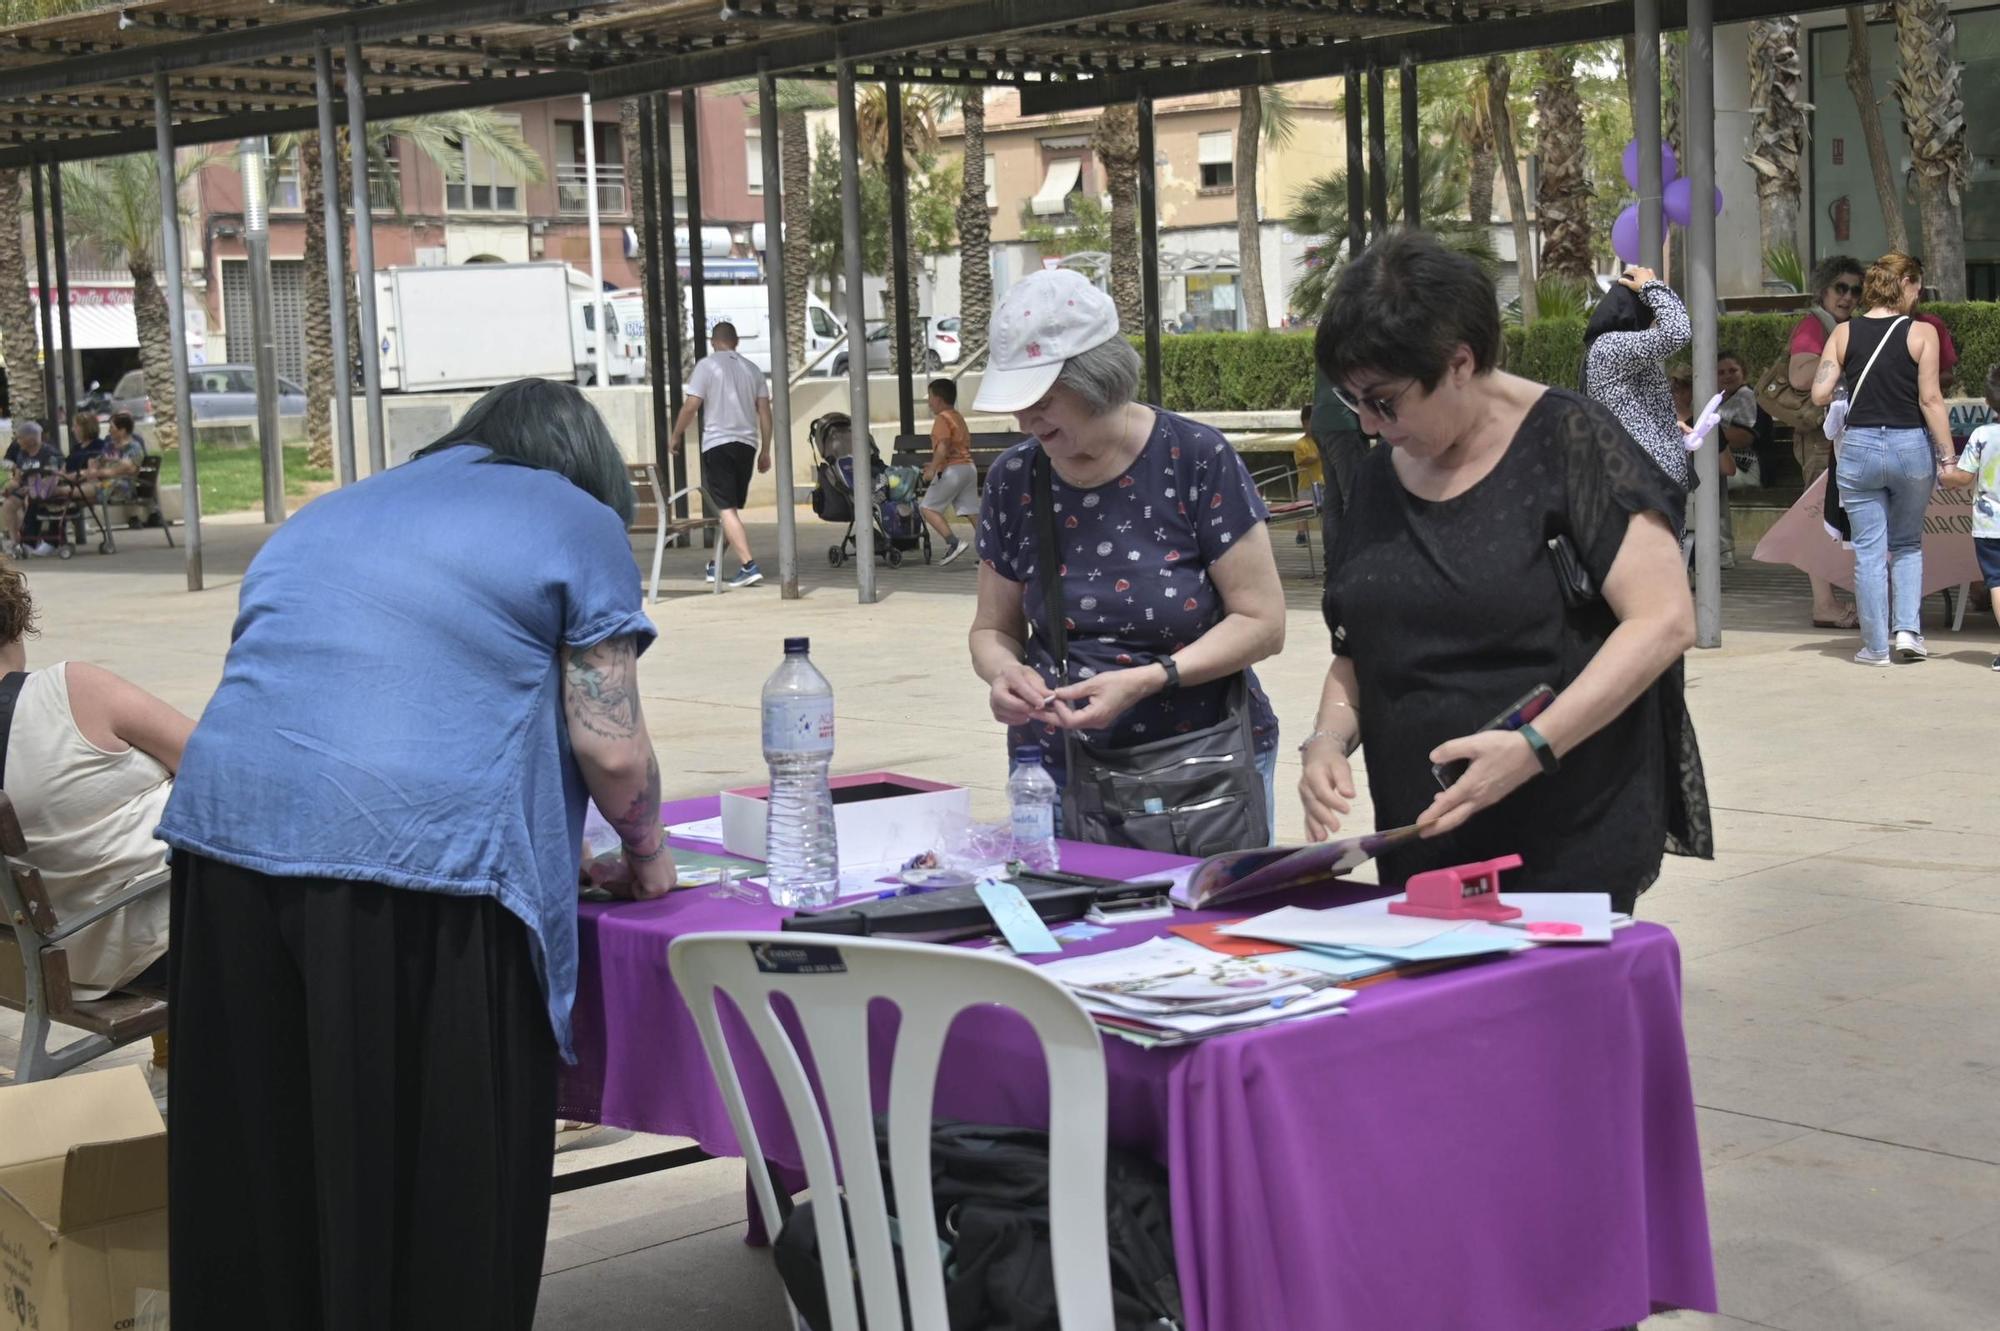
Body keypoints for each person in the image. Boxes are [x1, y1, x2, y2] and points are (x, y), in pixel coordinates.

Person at [155, 379, 675, 1329]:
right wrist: (649, 859)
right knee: (432, 1196)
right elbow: (610, 745)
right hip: (415, 865)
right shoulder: (579, 517)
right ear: (582, 466)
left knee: (265, 1186)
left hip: (224, 847)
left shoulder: (334, 510)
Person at [1304, 230, 1711, 913]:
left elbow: (1664, 621)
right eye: (1355, 403)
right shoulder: (1380, 476)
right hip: (1422, 837)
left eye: (1385, 400)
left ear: (1459, 362)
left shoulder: (1572, 441)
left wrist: (1530, 747)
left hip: (1559, 834)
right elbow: (1360, 646)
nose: (1372, 427)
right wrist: (1326, 739)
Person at [966, 268, 1287, 840]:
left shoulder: (1197, 458)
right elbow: (992, 629)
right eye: (1017, 402)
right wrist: (1005, 673)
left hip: (1202, 768)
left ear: (1098, 381)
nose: (1024, 419)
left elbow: (1262, 624)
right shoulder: (1014, 479)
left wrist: (1150, 679)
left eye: (1040, 399)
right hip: (1057, 772)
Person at [0, 555, 188, 998]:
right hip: (159, 936)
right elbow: (221, 769)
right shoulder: (69, 691)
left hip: (59, 956)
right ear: (14, 619)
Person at [1811, 251, 1956, 667]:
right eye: (1919, 284)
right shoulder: (1922, 333)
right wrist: (1947, 458)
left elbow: (1820, 394)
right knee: (1907, 543)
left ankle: (1875, 647)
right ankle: (1908, 632)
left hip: (1858, 449)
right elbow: (1930, 399)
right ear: (1906, 284)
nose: (1920, 292)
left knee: (1870, 553)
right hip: (1910, 446)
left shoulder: (1843, 333)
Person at [1788, 255, 1865, 628]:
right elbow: (1801, 375)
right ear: (1823, 289)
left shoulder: (1844, 326)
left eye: (1855, 289)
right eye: (1841, 288)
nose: (1849, 296)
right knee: (1819, 518)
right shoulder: (1814, 325)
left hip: (1842, 437)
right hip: (1821, 439)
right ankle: (1823, 603)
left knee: (1837, 518)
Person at [671, 320, 772, 588]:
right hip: (747, 445)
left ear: (713, 341)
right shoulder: (753, 370)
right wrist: (766, 450)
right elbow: (765, 413)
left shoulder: (706, 366)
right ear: (736, 341)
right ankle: (715, 564)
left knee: (726, 509)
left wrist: (676, 434)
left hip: (718, 444)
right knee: (731, 511)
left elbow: (692, 405)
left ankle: (748, 565)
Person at [1581, 265, 1693, 495]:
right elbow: (1677, 332)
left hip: (1647, 485)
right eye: (1650, 310)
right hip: (1640, 487)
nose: (1653, 319)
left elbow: (1629, 411)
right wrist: (1651, 287)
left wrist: (1667, 427)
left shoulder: (1618, 348)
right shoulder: (1610, 346)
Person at [1942, 364, 2000, 672]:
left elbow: (1963, 478)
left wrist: (1945, 475)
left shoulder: (1982, 435)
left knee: (1998, 583)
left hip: (1990, 527)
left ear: (1989, 402)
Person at [918, 376, 976, 564]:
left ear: (938, 399)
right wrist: (935, 463)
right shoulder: (957, 416)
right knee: (971, 511)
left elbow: (943, 446)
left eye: (930, 397)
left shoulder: (942, 419)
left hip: (953, 472)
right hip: (968, 468)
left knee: (927, 508)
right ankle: (991, 553)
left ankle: (953, 543)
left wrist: (932, 470)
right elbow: (954, 447)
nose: (929, 402)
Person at [3, 421, 64, 555]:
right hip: (25, 489)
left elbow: (55, 477)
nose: (17, 441)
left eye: (19, 438)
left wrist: (32, 487)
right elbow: (18, 478)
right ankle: (15, 542)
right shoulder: (22, 455)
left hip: (43, 490)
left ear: (30, 439)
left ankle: (29, 541)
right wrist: (7, 487)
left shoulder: (49, 453)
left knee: (29, 500)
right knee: (8, 505)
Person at [90, 410, 147, 506]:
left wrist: (98, 471)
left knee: (76, 492)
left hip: (121, 488)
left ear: (122, 430)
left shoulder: (134, 448)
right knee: (76, 493)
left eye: (112, 427)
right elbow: (96, 463)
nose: (109, 431)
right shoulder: (110, 446)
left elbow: (125, 470)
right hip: (106, 484)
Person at [1290, 404, 1321, 545]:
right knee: (1303, 511)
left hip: (1322, 482)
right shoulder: (1300, 444)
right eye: (1310, 423)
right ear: (1304, 424)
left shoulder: (1321, 440)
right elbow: (1302, 461)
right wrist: (1316, 456)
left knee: (1325, 510)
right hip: (1306, 484)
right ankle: (1301, 534)